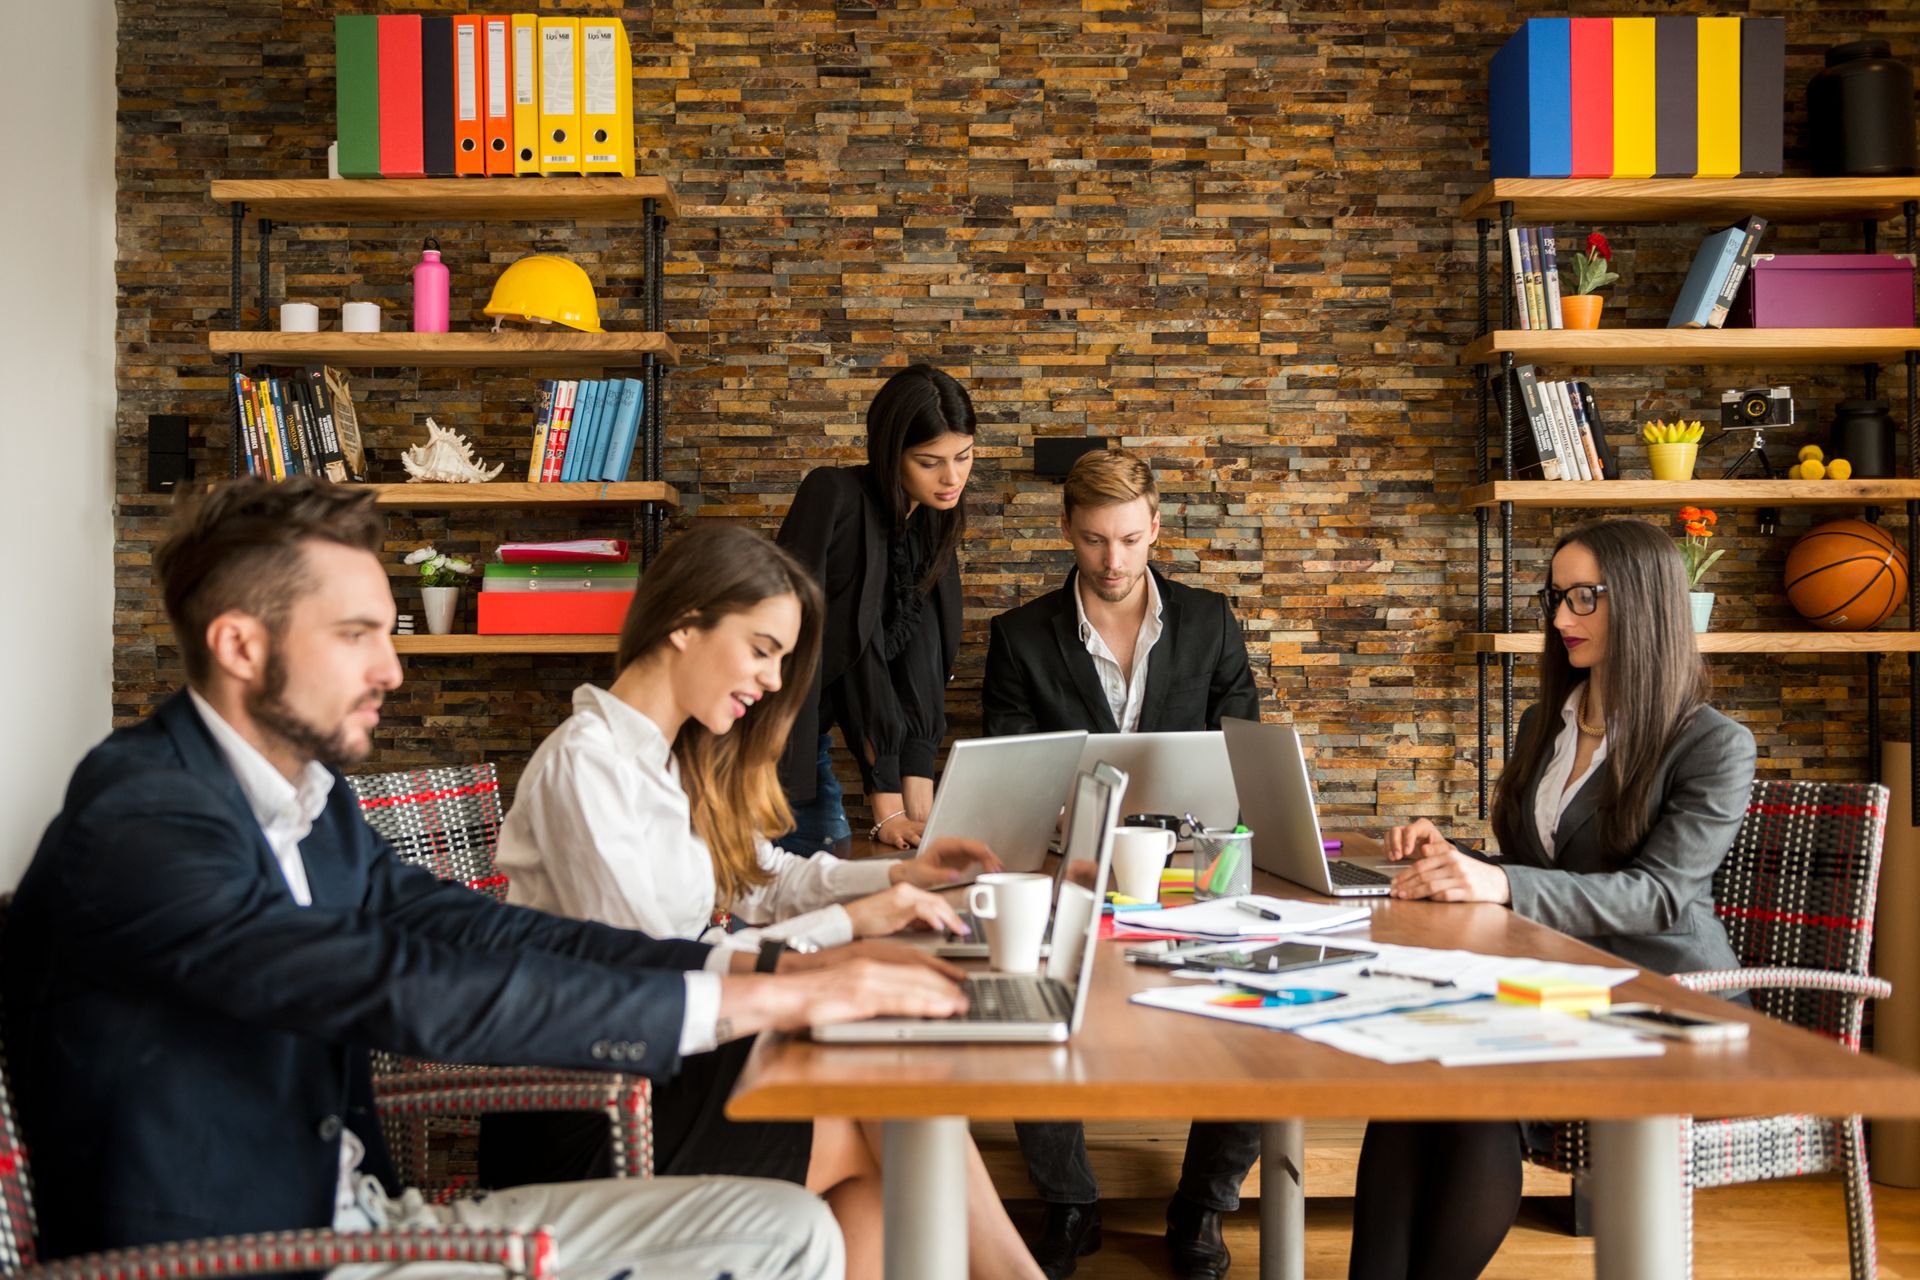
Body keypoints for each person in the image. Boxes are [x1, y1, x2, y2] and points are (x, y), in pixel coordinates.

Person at [4, 475, 975, 1280]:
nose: (392, 666)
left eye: (389, 630)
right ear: (240, 643)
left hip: (368, 1219)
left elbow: (484, 930)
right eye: (357, 634)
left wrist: (757, 977)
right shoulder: (140, 814)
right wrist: (756, 987)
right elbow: (392, 980)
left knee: (792, 1228)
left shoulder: (314, 806)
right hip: (250, 1258)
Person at [488, 521, 1045, 1280]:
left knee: (884, 1104)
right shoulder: (584, 769)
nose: (777, 682)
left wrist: (898, 879)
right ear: (685, 623)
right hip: (593, 1108)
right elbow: (655, 970)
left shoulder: (669, 758)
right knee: (888, 1128)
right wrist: (848, 932)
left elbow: (770, 877)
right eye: (762, 649)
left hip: (669, 1070)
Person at [1347, 517, 1757, 1280]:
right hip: (1555, 984)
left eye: (1585, 598)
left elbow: (1658, 895)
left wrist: (1498, 884)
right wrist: (1454, 858)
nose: (1562, 618)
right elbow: (1542, 864)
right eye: (1557, 598)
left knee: (1475, 1077)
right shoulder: (1550, 721)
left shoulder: (1712, 745)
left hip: (1665, 998)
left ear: (1643, 603)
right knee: (1417, 1066)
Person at [982, 448, 1261, 1280]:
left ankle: (1203, 1210)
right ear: (1067, 528)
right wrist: (1052, 811)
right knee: (1029, 1007)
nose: (1114, 562)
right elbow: (1008, 763)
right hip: (1068, 866)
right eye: (1097, 540)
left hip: (1194, 870)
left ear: (1156, 529)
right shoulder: (1019, 637)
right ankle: (1069, 1202)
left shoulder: (1211, 622)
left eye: (1132, 540)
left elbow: (1241, 752)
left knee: (1251, 1020)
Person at [776, 362, 976, 854]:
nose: (952, 477)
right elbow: (828, 642)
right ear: (891, 454)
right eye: (930, 462)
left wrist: (920, 799)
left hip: (826, 750)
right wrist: (887, 801)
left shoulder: (933, 523)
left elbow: (922, 662)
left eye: (965, 456)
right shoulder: (833, 495)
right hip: (774, 751)